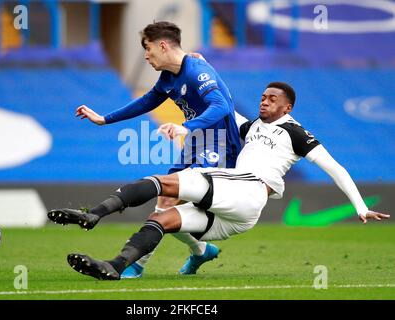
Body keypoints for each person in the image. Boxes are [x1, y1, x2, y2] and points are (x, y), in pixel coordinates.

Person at [49, 81, 390, 280]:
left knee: (165, 183)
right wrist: (203, 69)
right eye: (263, 96)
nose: (264, 100)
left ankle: (94, 214)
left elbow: (336, 168)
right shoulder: (252, 127)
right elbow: (225, 104)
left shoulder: (295, 132)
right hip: (239, 211)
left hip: (249, 189)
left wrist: (360, 207)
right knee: (162, 218)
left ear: (287, 108)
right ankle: (116, 267)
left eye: (273, 98)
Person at [57, 21, 242, 278]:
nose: (146, 55)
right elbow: (148, 100)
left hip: (219, 144)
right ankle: (201, 251)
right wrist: (104, 119)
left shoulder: (197, 70)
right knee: (166, 203)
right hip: (196, 142)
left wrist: (187, 126)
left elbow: (221, 105)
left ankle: (135, 264)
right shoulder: (170, 76)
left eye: (148, 48)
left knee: (169, 203)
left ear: (163, 45)